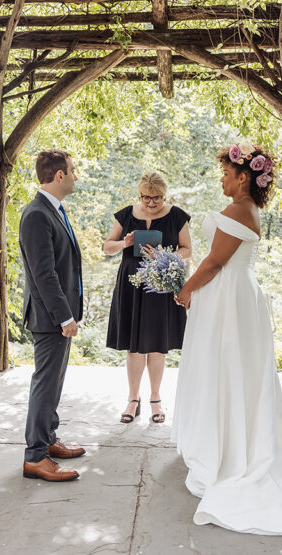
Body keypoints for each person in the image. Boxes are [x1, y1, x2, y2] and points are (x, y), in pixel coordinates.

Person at [172, 143, 282, 535]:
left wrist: (185, 290)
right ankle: (229, 439)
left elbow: (215, 261)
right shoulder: (245, 209)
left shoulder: (239, 209)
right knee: (231, 369)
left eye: (225, 173)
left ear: (243, 177)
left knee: (226, 367)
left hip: (228, 297)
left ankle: (229, 452)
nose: (221, 178)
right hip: (232, 294)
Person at [18, 149, 87, 482]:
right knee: (45, 385)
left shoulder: (53, 210)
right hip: (49, 318)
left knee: (54, 383)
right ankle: (35, 457)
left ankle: (48, 439)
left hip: (57, 316)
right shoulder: (36, 215)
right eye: (72, 171)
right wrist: (64, 317)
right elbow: (43, 275)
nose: (75, 176)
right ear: (59, 175)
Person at [103, 172, 192, 424]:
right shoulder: (127, 214)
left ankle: (155, 399)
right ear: (139, 194)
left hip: (161, 285)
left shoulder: (177, 216)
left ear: (165, 195)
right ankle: (133, 399)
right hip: (131, 286)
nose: (151, 203)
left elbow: (187, 250)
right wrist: (124, 243)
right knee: (133, 346)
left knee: (157, 345)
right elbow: (107, 246)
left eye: (156, 198)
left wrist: (164, 256)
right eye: (146, 198)